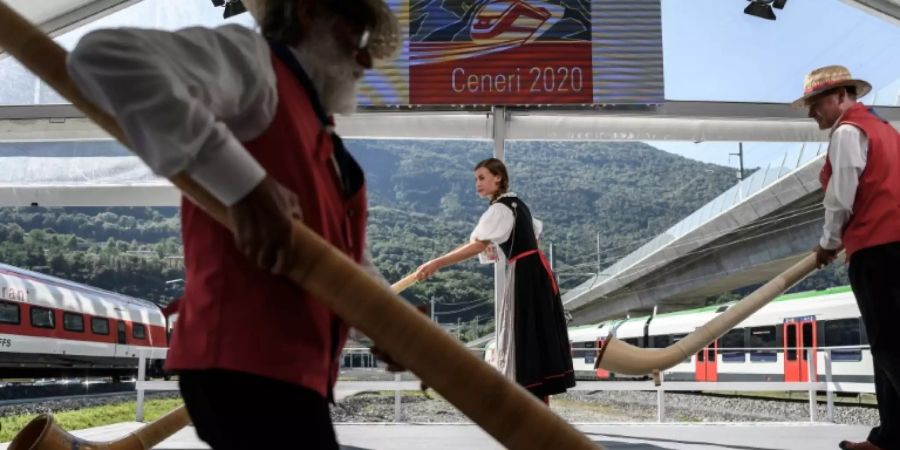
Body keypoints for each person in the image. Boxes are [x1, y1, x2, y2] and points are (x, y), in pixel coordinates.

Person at [65, 1, 400, 449]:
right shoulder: (254, 64)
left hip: (288, 376)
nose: (364, 60)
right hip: (243, 366)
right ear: (307, 13)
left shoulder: (326, 140)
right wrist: (244, 186)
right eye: (354, 38)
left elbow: (350, 264)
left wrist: (387, 322)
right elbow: (104, 56)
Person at [412, 157, 575, 403]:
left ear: (497, 177)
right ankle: (538, 412)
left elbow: (477, 244)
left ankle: (527, 413)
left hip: (524, 275)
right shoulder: (518, 204)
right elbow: (533, 234)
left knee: (522, 340)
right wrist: (496, 246)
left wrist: (437, 262)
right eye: (476, 179)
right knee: (533, 339)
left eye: (482, 178)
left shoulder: (499, 209)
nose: (477, 184)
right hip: (537, 273)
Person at [798, 65, 900, 450]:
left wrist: (828, 243)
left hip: (878, 250)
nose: (812, 113)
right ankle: (890, 438)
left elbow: (841, 198)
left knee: (890, 345)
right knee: (888, 346)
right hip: (892, 246)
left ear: (842, 95)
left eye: (815, 103)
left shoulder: (847, 131)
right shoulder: (886, 130)